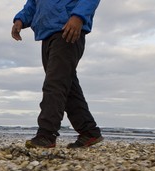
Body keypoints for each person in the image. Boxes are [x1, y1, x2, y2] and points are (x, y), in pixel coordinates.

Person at [12, 0, 103, 149]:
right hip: (47, 34)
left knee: (54, 84)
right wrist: (20, 20)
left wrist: (78, 17)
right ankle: (89, 131)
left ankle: (46, 135)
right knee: (67, 85)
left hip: (68, 30)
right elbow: (33, 5)